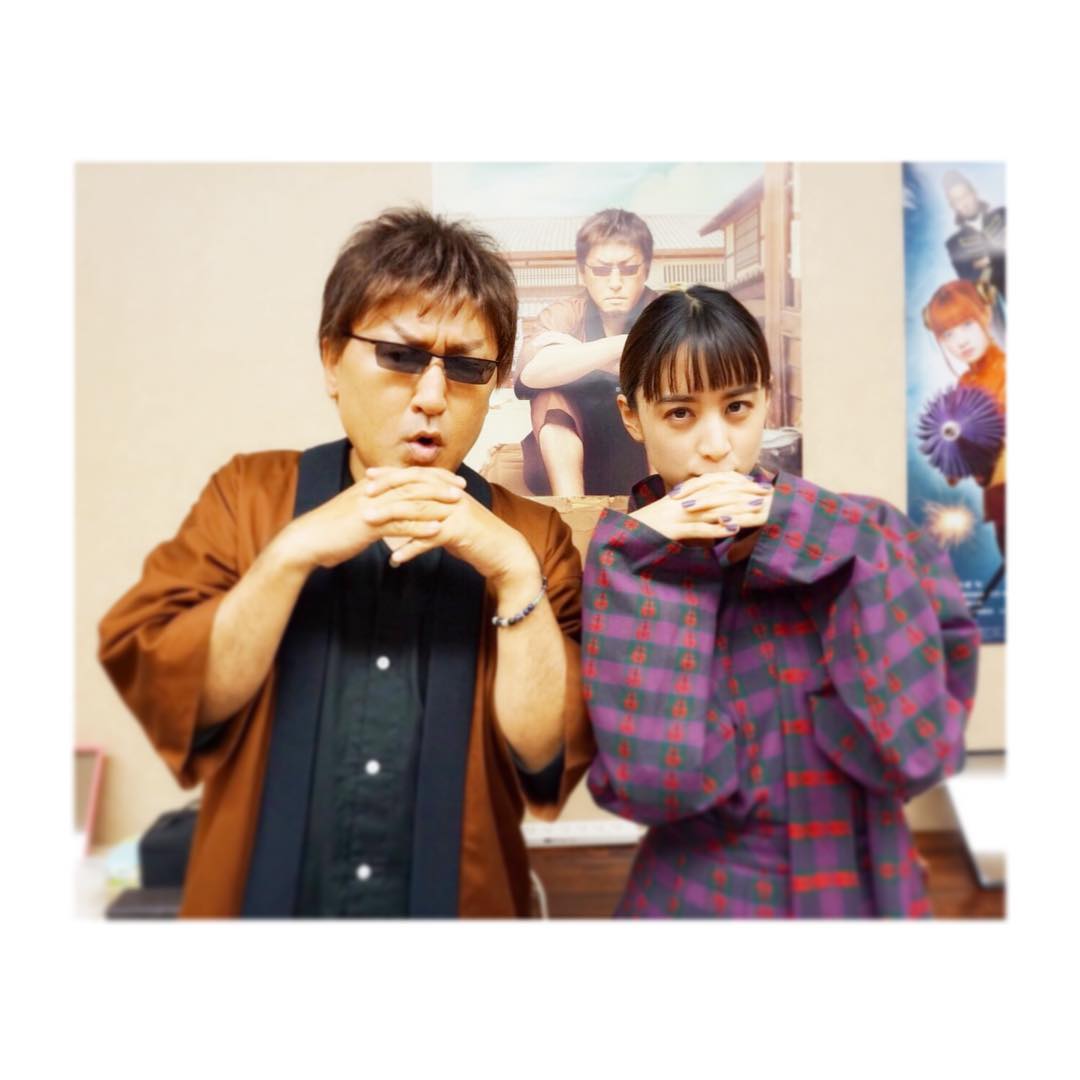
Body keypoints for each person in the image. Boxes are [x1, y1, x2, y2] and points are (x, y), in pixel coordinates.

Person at [98, 207, 594, 918]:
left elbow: (546, 753)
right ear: (333, 359)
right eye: (400, 356)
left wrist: (515, 575)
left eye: (466, 368)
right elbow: (178, 694)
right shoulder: (247, 495)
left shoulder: (535, 536)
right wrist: (290, 553)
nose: (433, 396)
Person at [580, 285, 979, 917]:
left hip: (868, 889)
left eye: (737, 407)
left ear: (767, 398)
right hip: (708, 900)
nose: (716, 445)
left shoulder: (867, 536)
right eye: (680, 414)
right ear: (633, 417)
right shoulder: (626, 564)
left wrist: (811, 531)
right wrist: (641, 564)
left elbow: (918, 748)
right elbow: (658, 786)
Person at [514, 208, 654, 496]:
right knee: (549, 398)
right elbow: (531, 374)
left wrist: (580, 354)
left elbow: (681, 368)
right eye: (601, 270)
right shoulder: (566, 313)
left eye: (629, 269)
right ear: (582, 272)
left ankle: (661, 507)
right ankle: (573, 513)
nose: (615, 283)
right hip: (571, 459)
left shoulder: (664, 311)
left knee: (660, 399)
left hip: (644, 457)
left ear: (647, 269)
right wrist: (619, 350)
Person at [923, 279, 1007, 558]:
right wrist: (952, 456)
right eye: (948, 334)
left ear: (986, 313)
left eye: (968, 324)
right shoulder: (964, 384)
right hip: (996, 496)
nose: (960, 341)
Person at [942, 170, 1006, 306]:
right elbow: (973, 283)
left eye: (965, 195)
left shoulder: (1004, 215)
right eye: (957, 200)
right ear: (952, 206)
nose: (964, 203)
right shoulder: (954, 245)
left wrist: (989, 261)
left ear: (974, 193)